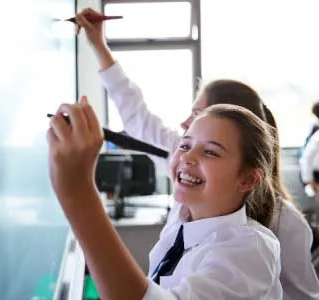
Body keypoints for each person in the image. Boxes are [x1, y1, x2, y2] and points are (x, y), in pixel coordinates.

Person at [75, 8, 319, 299]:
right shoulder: (187, 196)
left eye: (197, 114)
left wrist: (76, 190)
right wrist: (99, 46)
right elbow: (138, 118)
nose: (184, 129)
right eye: (186, 142)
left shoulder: (272, 231)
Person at [47, 99, 282, 299]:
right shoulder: (182, 219)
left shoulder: (251, 251)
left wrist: (77, 192)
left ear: (248, 180)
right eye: (185, 145)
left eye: (210, 152)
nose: (187, 157)